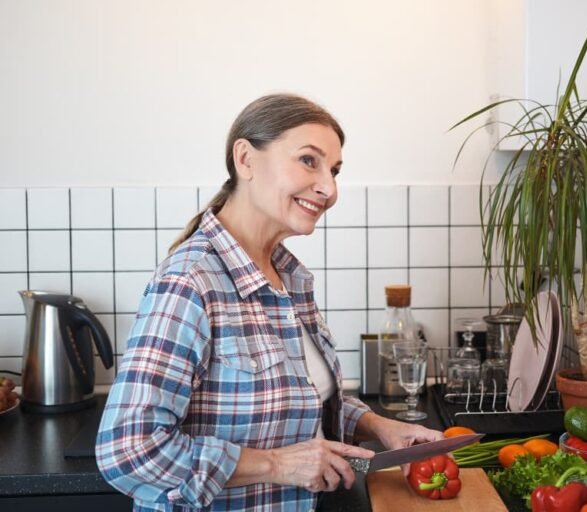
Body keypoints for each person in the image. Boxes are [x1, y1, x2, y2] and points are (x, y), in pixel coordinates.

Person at [96, 93, 442, 511]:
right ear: (245, 159)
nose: (329, 188)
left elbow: (294, 401)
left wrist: (379, 426)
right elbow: (128, 451)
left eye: (334, 170)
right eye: (308, 161)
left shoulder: (288, 278)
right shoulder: (191, 282)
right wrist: (276, 465)